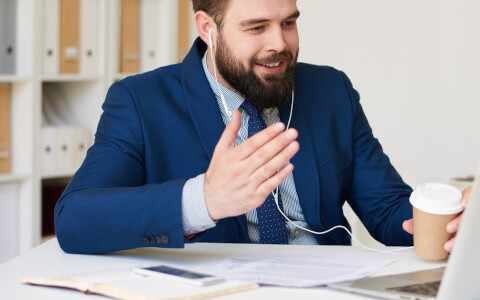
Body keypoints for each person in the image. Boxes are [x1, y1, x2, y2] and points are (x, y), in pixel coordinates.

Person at [54, 0, 468, 254]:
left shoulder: (331, 90)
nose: (280, 44)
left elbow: (390, 213)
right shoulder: (141, 101)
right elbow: (75, 220)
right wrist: (205, 199)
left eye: (288, 22)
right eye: (256, 27)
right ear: (207, 29)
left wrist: (454, 219)